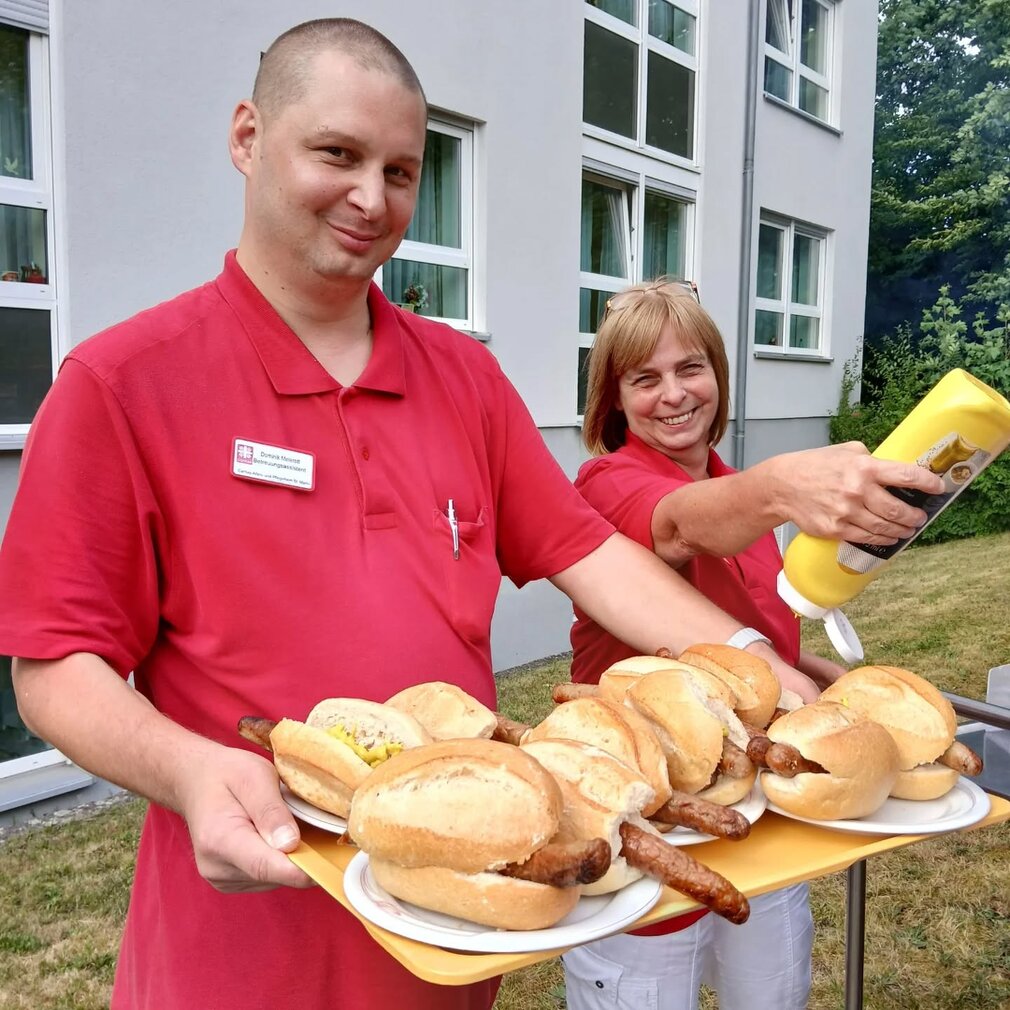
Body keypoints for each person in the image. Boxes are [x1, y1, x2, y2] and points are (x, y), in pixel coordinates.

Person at [0, 22, 835, 1010]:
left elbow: (591, 555)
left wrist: (752, 661)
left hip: (449, 934)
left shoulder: (462, 377)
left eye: (401, 172)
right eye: (337, 154)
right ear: (247, 137)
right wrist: (186, 770)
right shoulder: (122, 383)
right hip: (242, 941)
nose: (372, 198)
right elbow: (53, 665)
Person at [562, 278, 945, 1010]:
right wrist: (780, 488)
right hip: (650, 818)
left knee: (772, 992)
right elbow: (679, 524)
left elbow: (748, 644)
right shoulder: (606, 483)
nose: (674, 394)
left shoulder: (735, 488)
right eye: (645, 378)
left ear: (719, 375)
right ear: (613, 400)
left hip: (764, 811)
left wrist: (813, 675)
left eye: (690, 368)